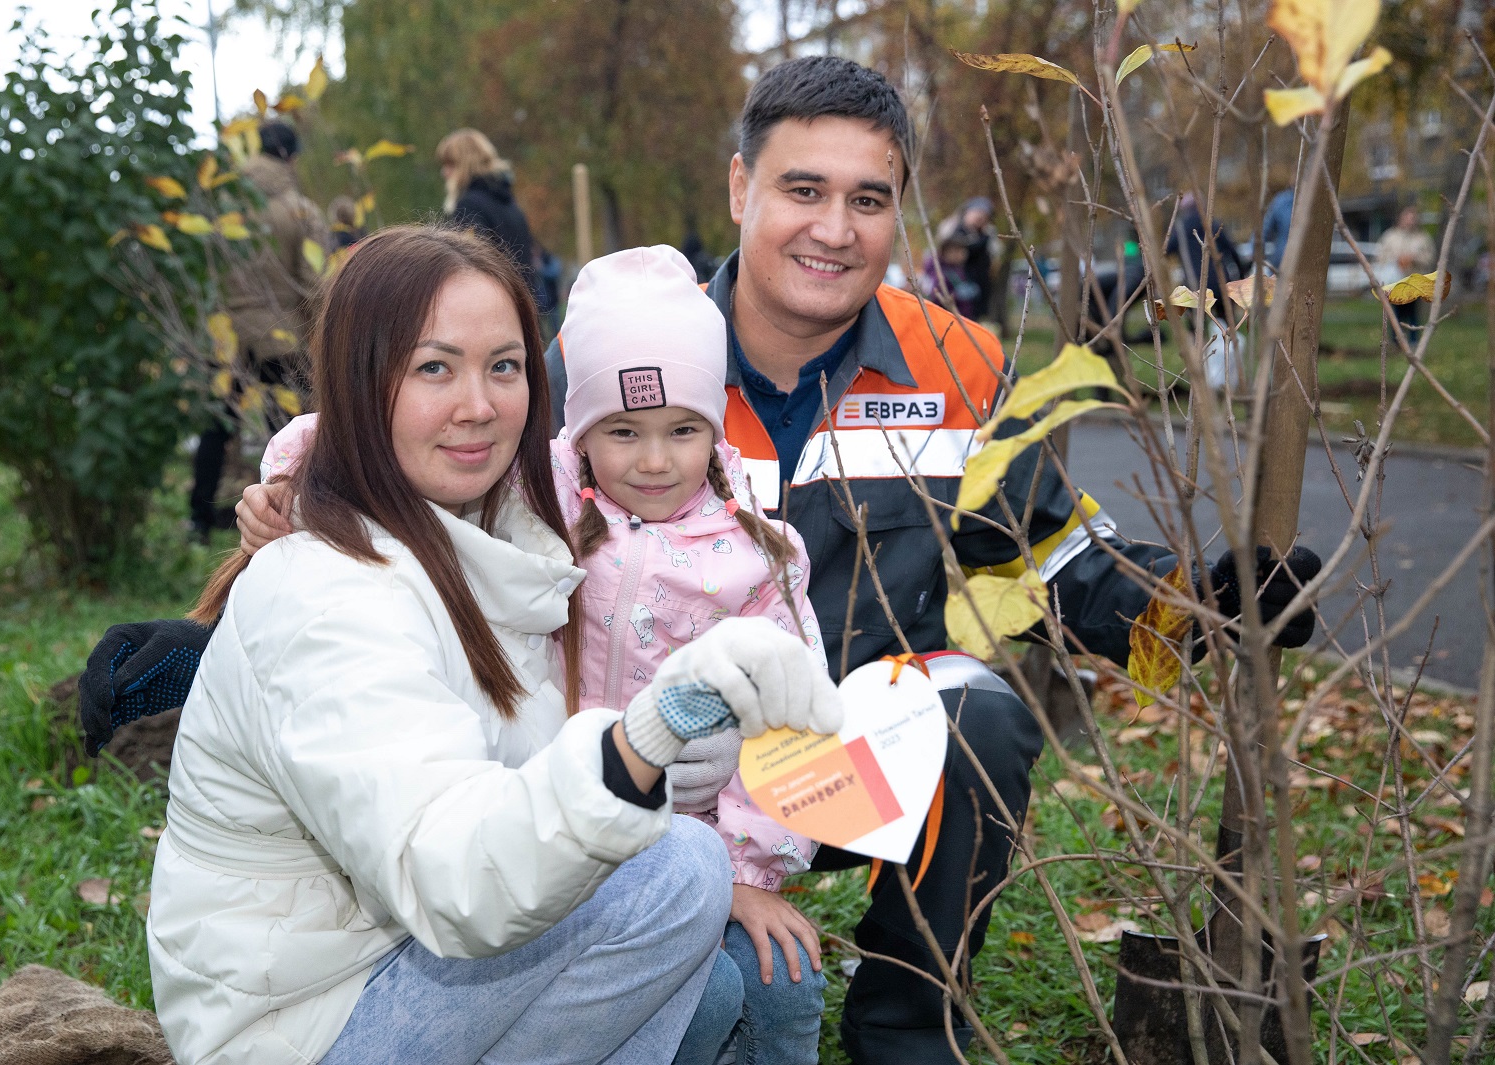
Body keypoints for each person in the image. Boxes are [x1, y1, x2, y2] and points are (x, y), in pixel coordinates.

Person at [89, 58, 1325, 1064]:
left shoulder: (954, 362)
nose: (832, 230)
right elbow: (439, 426)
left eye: (867, 198)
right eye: (801, 189)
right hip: (607, 763)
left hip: (810, 756)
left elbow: (1055, 551)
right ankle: (693, 964)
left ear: (898, 212)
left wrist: (1191, 608)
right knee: (682, 948)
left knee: (983, 714)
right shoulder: (631, 353)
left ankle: (904, 1025)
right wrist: (299, 487)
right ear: (739, 186)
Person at [136, 225, 841, 1065]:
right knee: (679, 872)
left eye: (504, 366)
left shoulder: (510, 539)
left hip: (398, 954)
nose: (478, 404)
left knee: (719, 987)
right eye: (435, 366)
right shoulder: (327, 591)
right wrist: (645, 738)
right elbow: (452, 874)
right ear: (364, 386)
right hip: (309, 1022)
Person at [188, 120, 331, 542]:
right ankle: (295, 518)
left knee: (216, 427)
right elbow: (314, 282)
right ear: (290, 157)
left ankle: (198, 520)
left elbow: (203, 273)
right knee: (290, 433)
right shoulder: (300, 210)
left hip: (226, 337)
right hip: (279, 335)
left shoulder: (223, 207)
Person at [438, 128, 539, 297]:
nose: (444, 172)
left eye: (449, 164)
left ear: (464, 164)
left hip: (493, 306)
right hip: (519, 305)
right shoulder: (510, 204)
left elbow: (470, 267)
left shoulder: (469, 206)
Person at [1165, 191, 1246, 317]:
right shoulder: (1213, 224)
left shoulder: (1180, 230)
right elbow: (1232, 251)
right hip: (1219, 282)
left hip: (1193, 284)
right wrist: (1241, 275)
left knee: (1196, 325)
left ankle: (1195, 335)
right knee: (1226, 321)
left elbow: (1167, 251)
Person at [925, 197, 998, 320]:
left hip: (973, 294)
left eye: (984, 217)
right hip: (951, 310)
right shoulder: (953, 229)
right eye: (978, 215)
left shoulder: (985, 234)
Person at [1376, 205, 1436, 328]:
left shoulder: (1423, 238)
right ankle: (1396, 340)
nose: (1410, 221)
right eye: (1407, 218)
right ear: (1401, 218)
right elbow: (1381, 255)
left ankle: (1413, 340)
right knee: (1395, 312)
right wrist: (1396, 260)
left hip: (1414, 281)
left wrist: (1414, 259)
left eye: (1413, 218)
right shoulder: (1390, 236)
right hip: (1395, 281)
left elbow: (1429, 257)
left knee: (1412, 312)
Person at [919, 228, 980, 318]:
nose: (963, 255)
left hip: (960, 317)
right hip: (946, 318)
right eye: (960, 251)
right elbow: (935, 296)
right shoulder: (938, 272)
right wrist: (956, 295)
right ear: (949, 252)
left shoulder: (956, 269)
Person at [1259, 187, 1295, 273]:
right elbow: (1264, 228)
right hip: (1280, 263)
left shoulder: (1315, 203)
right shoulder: (1282, 201)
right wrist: (1255, 248)